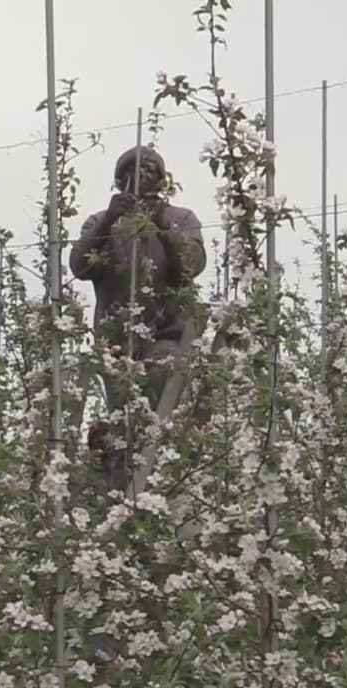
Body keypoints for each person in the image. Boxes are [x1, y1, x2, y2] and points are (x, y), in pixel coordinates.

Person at [72, 145, 206, 493]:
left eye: (148, 174)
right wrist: (109, 221)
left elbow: (191, 265)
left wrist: (163, 227)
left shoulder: (181, 219)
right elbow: (80, 266)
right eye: (131, 175)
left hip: (165, 334)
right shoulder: (102, 222)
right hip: (117, 341)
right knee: (124, 415)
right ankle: (122, 487)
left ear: (162, 181)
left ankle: (158, 487)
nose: (140, 181)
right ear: (119, 183)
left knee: (160, 404)